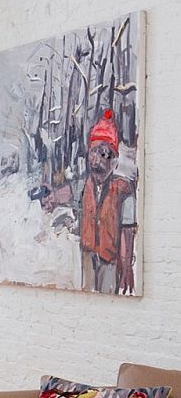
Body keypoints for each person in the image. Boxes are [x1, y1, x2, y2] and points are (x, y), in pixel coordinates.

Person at [42, 109, 137, 294]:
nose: (97, 159)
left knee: (107, 295)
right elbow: (67, 193)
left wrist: (126, 266)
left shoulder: (123, 191)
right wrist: (52, 197)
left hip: (110, 260)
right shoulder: (85, 185)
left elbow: (128, 230)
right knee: (88, 293)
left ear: (114, 162)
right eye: (94, 151)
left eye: (104, 154)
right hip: (88, 254)